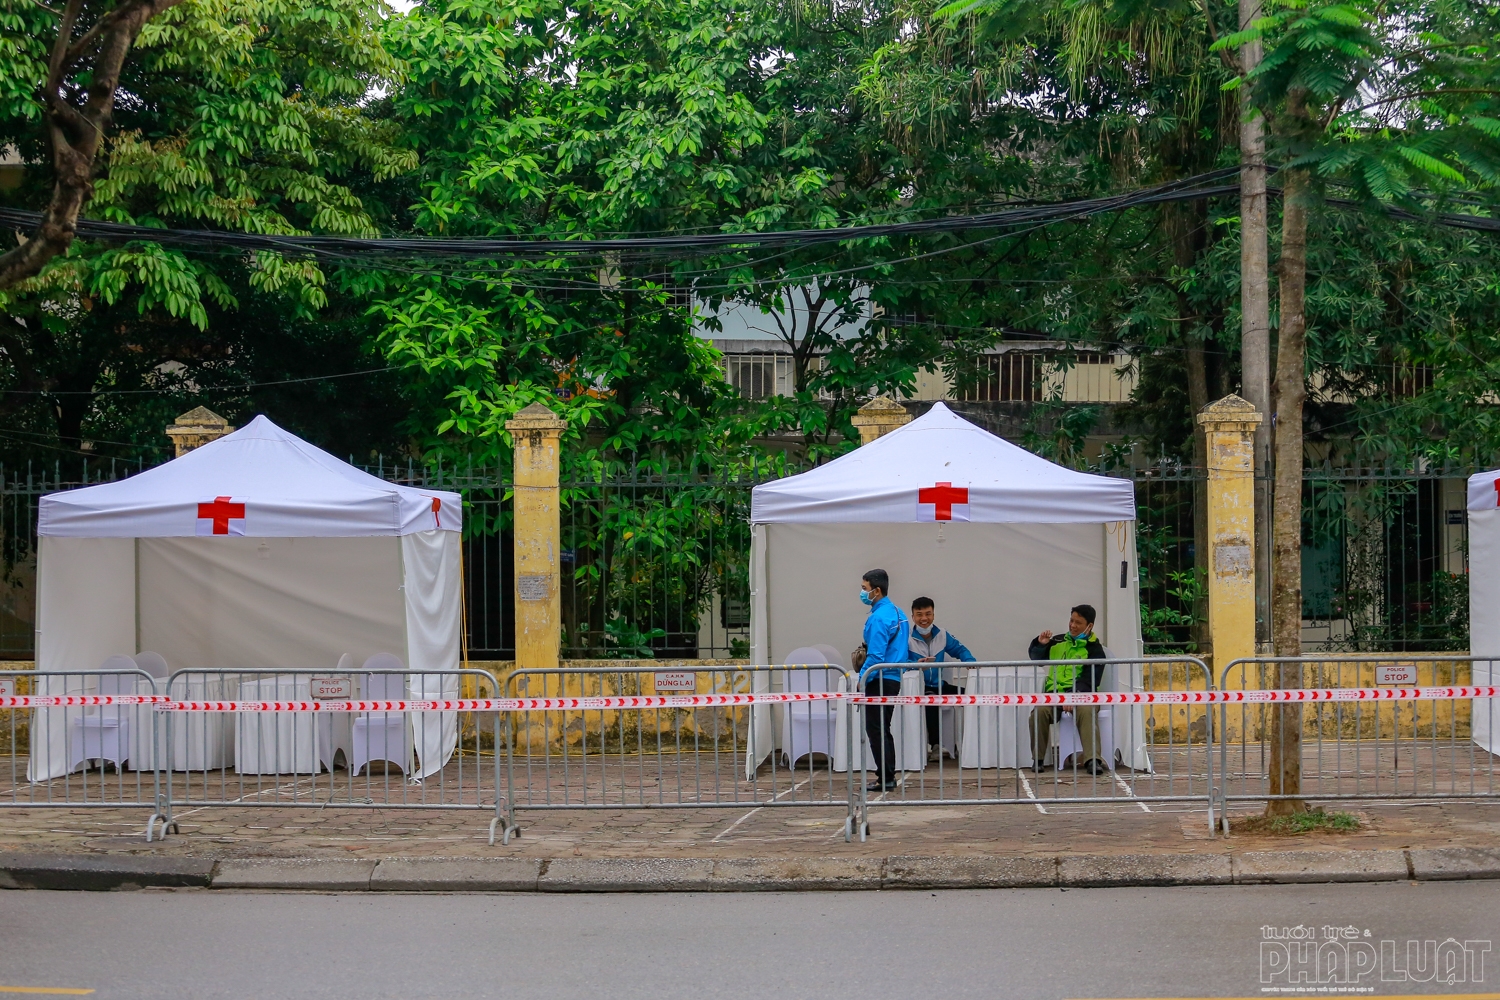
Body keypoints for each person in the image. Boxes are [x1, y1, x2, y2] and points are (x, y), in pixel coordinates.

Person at [1027, 604, 1108, 774]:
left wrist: (1073, 695)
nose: (1072, 625)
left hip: (1081, 695)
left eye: (1078, 622)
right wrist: (1040, 644)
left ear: (1089, 626)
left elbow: (1091, 679)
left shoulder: (1095, 649)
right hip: (1054, 694)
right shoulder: (1057, 641)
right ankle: (1038, 759)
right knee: (1039, 712)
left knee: (1088, 711)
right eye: (1071, 620)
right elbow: (1036, 659)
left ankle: (1092, 760)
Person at [859, 568, 911, 793]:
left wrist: (862, 678)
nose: (862, 593)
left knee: (876, 730)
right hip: (893, 678)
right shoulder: (899, 613)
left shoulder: (878, 618)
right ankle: (887, 775)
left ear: (877, 590)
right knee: (883, 728)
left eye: (865, 588)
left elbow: (875, 656)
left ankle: (886, 778)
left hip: (879, 678)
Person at [909, 597, 976, 761]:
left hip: (940, 685)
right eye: (919, 614)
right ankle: (936, 745)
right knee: (931, 700)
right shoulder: (905, 637)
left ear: (933, 614)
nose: (924, 618)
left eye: (928, 614)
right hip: (918, 687)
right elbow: (898, 661)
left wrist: (969, 661)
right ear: (913, 617)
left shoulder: (943, 635)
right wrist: (915, 665)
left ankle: (970, 743)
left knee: (971, 696)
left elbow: (960, 650)